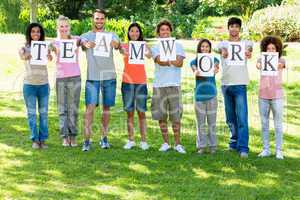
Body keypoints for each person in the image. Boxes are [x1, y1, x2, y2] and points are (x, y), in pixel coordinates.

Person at [80, 9, 120, 151]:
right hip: (93, 77)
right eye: (97, 18)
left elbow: (118, 45)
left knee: (106, 109)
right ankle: (87, 140)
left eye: (102, 18)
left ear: (105, 20)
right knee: (89, 109)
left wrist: (116, 44)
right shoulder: (86, 35)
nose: (99, 21)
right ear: (93, 19)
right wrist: (84, 44)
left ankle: (104, 138)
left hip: (109, 77)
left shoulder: (112, 35)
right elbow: (79, 41)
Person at [216, 17, 253, 158]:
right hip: (226, 84)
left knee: (242, 117)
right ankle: (233, 143)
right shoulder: (223, 44)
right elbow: (217, 48)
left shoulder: (246, 43)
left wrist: (248, 53)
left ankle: (243, 147)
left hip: (240, 84)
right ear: (228, 28)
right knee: (230, 118)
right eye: (231, 26)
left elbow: (249, 49)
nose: (234, 29)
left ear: (240, 29)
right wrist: (223, 51)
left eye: (236, 26)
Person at [151, 20, 186, 153]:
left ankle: (178, 144)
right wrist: (171, 60)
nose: (165, 32)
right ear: (158, 33)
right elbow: (159, 61)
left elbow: (180, 63)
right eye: (162, 30)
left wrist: (169, 60)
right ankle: (165, 143)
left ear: (170, 31)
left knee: (176, 116)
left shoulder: (178, 45)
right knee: (161, 116)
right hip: (159, 84)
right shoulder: (155, 46)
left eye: (167, 29)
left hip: (174, 84)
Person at [18, 23, 52, 149]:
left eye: (38, 32)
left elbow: (50, 58)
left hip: (43, 84)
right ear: (29, 33)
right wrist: (25, 56)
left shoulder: (44, 47)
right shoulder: (24, 47)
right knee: (32, 113)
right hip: (29, 85)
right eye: (33, 31)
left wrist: (49, 56)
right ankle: (34, 140)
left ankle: (43, 139)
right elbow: (22, 56)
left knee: (43, 113)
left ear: (41, 33)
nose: (36, 34)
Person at [119, 22, 151, 150]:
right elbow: (119, 49)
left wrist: (147, 52)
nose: (134, 33)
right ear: (128, 33)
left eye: (137, 31)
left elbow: (149, 56)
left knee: (141, 112)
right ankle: (131, 140)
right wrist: (121, 50)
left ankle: (143, 141)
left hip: (141, 82)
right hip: (127, 83)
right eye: (132, 31)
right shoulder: (125, 46)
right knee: (130, 112)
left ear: (140, 33)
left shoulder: (144, 46)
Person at [51, 15, 81, 147]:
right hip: (61, 78)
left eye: (66, 26)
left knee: (73, 107)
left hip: (75, 77)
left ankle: (73, 136)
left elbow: (84, 42)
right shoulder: (54, 42)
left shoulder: (76, 39)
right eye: (61, 26)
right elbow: (47, 50)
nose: (64, 28)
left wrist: (84, 43)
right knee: (62, 108)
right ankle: (64, 136)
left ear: (70, 27)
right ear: (58, 28)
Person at [256, 36, 286, 159]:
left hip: (277, 96)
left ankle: (279, 150)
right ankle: (266, 149)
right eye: (268, 48)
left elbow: (281, 65)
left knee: (278, 124)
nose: (270, 51)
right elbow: (258, 65)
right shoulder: (261, 59)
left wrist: (278, 64)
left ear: (277, 49)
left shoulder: (281, 60)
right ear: (265, 49)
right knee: (264, 123)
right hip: (263, 95)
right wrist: (260, 64)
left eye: (273, 48)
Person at [190, 39, 219, 154]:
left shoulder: (214, 60)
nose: (205, 49)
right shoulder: (194, 62)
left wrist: (215, 69)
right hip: (199, 96)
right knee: (200, 123)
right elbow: (194, 70)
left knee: (212, 122)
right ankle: (201, 146)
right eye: (202, 47)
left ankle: (213, 146)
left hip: (211, 95)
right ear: (199, 48)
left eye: (207, 47)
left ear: (209, 48)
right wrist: (196, 72)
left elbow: (217, 67)